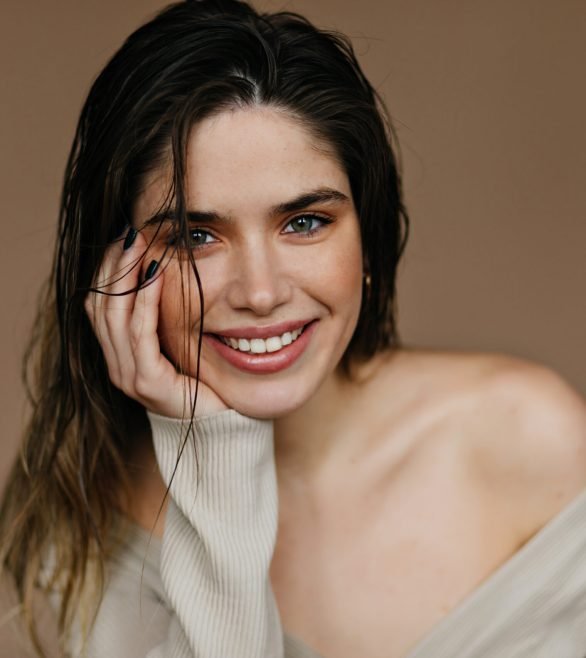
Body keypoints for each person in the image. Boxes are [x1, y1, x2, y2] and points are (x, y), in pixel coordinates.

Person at [1, 1, 585, 657]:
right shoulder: (82, 529)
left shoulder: (530, 441)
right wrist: (214, 455)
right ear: (118, 267)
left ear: (368, 234)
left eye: (305, 222)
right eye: (197, 235)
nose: (261, 292)